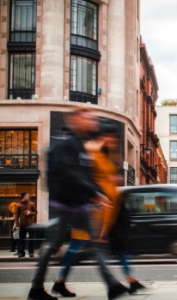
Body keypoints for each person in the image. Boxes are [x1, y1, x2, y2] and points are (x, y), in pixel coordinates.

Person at [28, 107, 128, 300]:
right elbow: (71, 174)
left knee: (98, 245)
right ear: (75, 120)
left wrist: (97, 194)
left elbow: (85, 176)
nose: (92, 122)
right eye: (88, 119)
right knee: (52, 246)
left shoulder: (82, 146)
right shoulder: (69, 145)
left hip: (80, 206)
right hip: (64, 206)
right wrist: (96, 195)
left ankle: (112, 285)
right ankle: (36, 288)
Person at [54, 124, 145, 294]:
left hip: (108, 211)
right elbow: (86, 179)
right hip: (93, 210)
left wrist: (113, 180)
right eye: (109, 136)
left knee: (91, 247)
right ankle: (113, 284)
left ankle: (126, 280)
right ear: (102, 136)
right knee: (78, 247)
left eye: (115, 138)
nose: (113, 140)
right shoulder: (92, 153)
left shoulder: (106, 156)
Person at [14, 192, 37, 258]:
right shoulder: (18, 205)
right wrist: (17, 225)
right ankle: (21, 253)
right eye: (27, 196)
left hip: (31, 224)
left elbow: (36, 212)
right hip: (22, 224)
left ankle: (31, 252)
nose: (28, 197)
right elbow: (16, 215)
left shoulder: (31, 204)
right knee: (22, 239)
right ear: (23, 197)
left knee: (31, 239)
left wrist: (30, 213)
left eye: (28, 196)